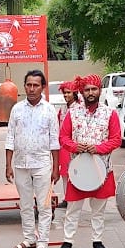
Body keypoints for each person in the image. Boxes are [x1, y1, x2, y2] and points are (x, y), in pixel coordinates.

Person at [57, 74, 122, 248]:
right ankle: (68, 241)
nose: (91, 93)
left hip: (101, 169)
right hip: (78, 169)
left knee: (98, 209)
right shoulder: (73, 112)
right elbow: (63, 138)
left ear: (100, 90)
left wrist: (98, 148)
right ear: (82, 91)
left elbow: (116, 140)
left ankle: (97, 241)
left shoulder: (110, 113)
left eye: (94, 89)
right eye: (87, 90)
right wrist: (76, 146)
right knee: (73, 208)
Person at [5, 69, 60, 248]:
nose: (32, 88)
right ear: (24, 86)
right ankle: (29, 238)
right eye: (28, 85)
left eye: (36, 85)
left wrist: (56, 167)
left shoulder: (49, 110)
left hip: (43, 164)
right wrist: (8, 165)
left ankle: (43, 242)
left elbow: (55, 140)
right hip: (20, 164)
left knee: (44, 206)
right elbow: (10, 137)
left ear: (43, 87)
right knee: (25, 204)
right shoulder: (17, 109)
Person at [57, 80, 81, 208]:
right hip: (63, 146)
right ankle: (67, 197)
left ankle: (74, 198)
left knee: (74, 172)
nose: (66, 95)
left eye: (68, 93)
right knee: (65, 173)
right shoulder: (63, 108)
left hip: (74, 146)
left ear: (75, 93)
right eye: (64, 93)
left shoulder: (79, 109)